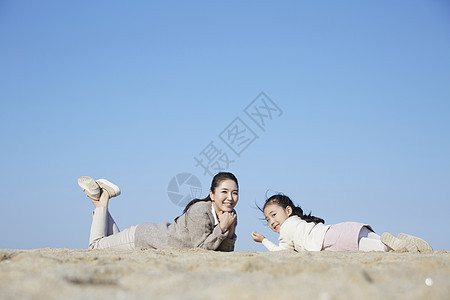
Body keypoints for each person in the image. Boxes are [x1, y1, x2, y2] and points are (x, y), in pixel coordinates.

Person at [78, 172, 238, 251]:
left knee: (110, 241)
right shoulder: (201, 210)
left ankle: (100, 197)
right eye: (224, 192)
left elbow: (223, 251)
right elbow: (201, 250)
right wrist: (222, 228)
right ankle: (103, 198)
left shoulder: (229, 216)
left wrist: (229, 230)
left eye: (234, 193)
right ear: (212, 194)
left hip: (149, 238)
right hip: (143, 239)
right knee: (95, 247)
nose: (229, 197)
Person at [251, 194, 432, 253]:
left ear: (288, 211)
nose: (272, 221)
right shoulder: (299, 222)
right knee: (377, 242)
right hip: (342, 229)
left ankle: (397, 245)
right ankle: (405, 241)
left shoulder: (287, 228)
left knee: (383, 249)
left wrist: (264, 241)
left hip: (333, 239)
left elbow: (282, 253)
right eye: (268, 219)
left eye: (274, 214)